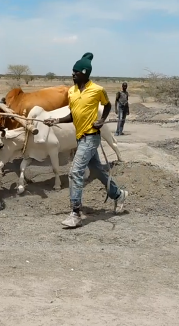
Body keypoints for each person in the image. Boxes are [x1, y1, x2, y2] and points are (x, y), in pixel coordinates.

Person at [43, 52, 128, 228]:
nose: (73, 74)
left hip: (91, 137)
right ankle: (119, 195)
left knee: (75, 172)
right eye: (72, 71)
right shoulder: (72, 92)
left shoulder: (97, 90)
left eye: (76, 72)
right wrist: (56, 121)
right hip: (80, 138)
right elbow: (73, 115)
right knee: (98, 171)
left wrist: (102, 120)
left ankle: (75, 213)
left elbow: (108, 105)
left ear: (84, 72)